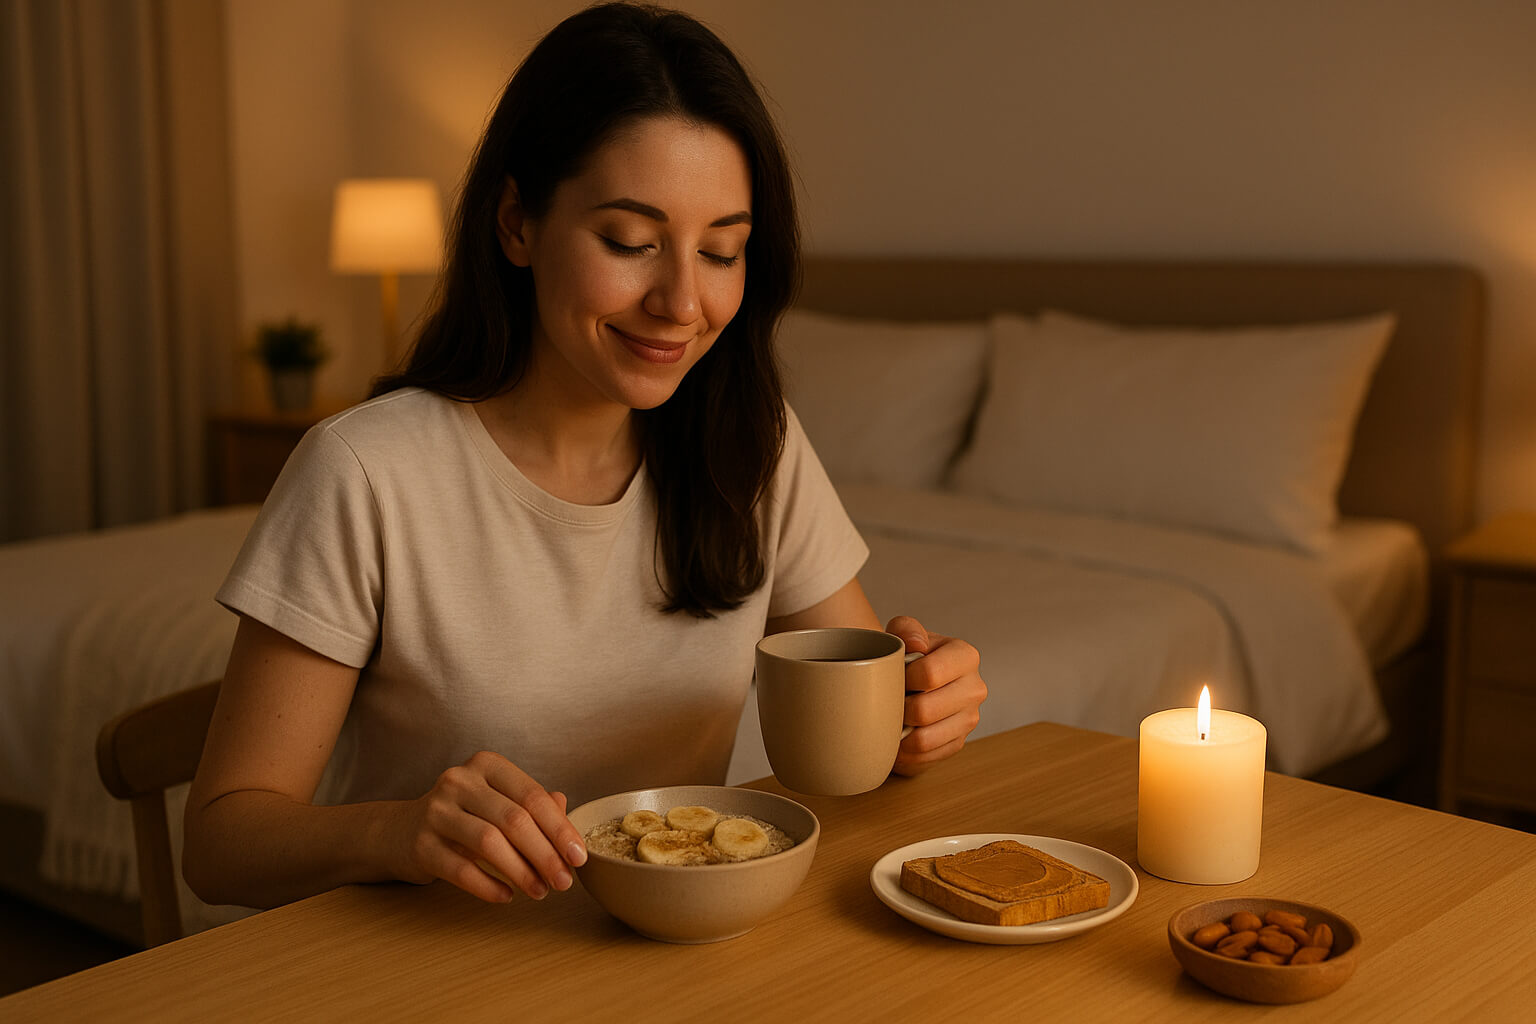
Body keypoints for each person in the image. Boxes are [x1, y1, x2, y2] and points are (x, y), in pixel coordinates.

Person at [183, 2, 986, 911]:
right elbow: (218, 845)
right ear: (517, 224)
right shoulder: (366, 473)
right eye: (631, 243)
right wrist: (396, 830)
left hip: (676, 948)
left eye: (722, 251)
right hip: (435, 958)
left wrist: (919, 710)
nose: (682, 303)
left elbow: (858, 719)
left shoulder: (750, 444)